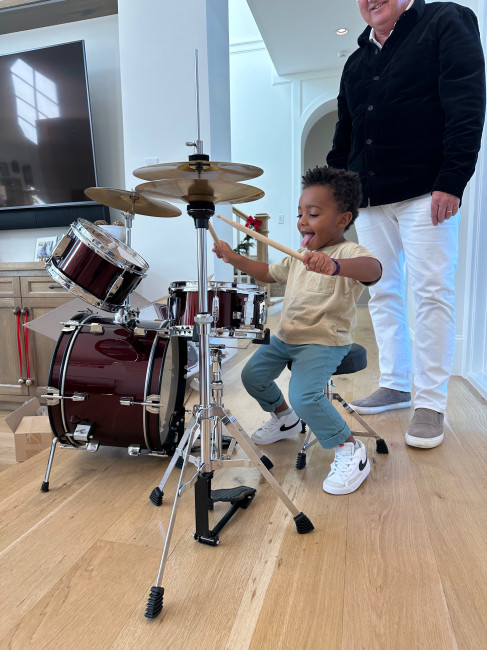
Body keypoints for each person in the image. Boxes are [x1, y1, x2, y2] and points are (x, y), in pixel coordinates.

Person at [327, 0, 485, 449]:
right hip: (369, 198)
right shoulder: (356, 61)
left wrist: (453, 179)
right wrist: (337, 200)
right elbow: (345, 135)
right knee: (382, 292)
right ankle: (396, 382)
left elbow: (467, 101)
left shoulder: (445, 21)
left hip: (426, 191)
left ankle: (431, 402)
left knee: (432, 291)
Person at [213, 166, 382, 495]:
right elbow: (265, 272)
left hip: (323, 343)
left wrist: (335, 267)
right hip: (285, 337)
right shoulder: (300, 255)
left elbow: (373, 270)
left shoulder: (348, 253)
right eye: (300, 213)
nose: (303, 221)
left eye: (314, 213)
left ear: (343, 219)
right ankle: (284, 418)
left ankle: (350, 449)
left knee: (304, 395)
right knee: (252, 377)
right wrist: (234, 258)